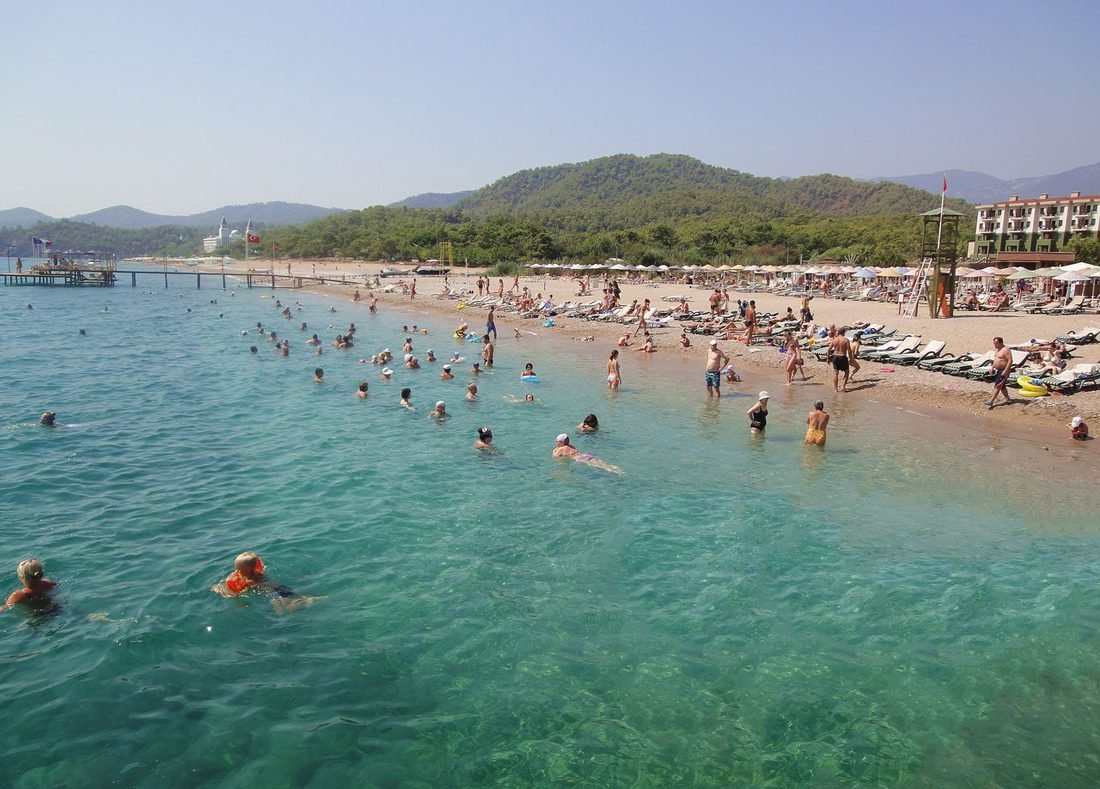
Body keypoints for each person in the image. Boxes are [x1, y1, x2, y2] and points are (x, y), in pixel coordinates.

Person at [211, 551, 319, 613]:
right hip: (280, 587)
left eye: (238, 569)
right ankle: (307, 599)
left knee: (283, 611)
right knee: (295, 597)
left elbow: (237, 594)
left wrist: (220, 589)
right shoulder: (258, 574)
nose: (236, 572)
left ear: (247, 569)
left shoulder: (250, 582)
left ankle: (304, 602)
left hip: (273, 593)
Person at [552, 434, 623, 474]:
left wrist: (555, 450)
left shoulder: (561, 449)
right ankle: (618, 469)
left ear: (561, 442)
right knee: (604, 464)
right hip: (586, 455)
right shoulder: (571, 446)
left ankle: (618, 473)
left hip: (580, 459)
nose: (556, 443)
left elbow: (555, 457)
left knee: (602, 467)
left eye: (556, 441)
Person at [985, 336, 1014, 409]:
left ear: (1001, 343)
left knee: (998, 385)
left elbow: (1010, 360)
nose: (995, 345)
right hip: (997, 370)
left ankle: (991, 401)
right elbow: (996, 359)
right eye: (994, 343)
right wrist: (992, 367)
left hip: (1003, 370)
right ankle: (1008, 399)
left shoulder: (1006, 350)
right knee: (1002, 386)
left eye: (996, 343)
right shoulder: (997, 350)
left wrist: (1006, 370)